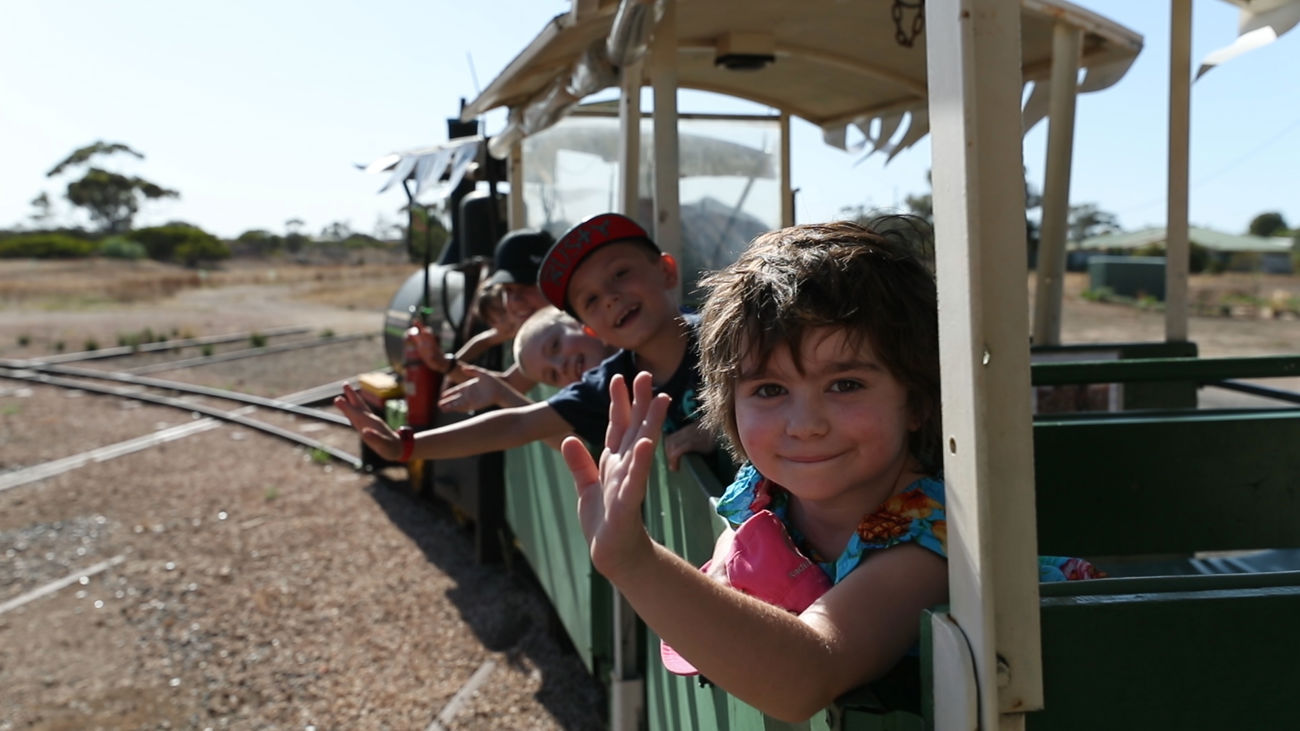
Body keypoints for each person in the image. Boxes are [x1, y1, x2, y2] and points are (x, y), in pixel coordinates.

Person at [559, 218, 1101, 722]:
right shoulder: (763, 487)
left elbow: (807, 676)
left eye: (845, 385)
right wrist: (727, 564)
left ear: (916, 402)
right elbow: (740, 544)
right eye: (769, 390)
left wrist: (635, 561)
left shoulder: (930, 542)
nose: (805, 424)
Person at [336, 212, 717, 468]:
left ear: (666, 271)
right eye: (591, 300)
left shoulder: (727, 337)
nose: (611, 297)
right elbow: (515, 425)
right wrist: (406, 446)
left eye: (619, 273)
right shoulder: (610, 383)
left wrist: (719, 429)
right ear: (591, 329)